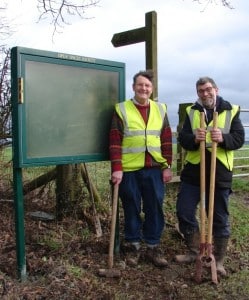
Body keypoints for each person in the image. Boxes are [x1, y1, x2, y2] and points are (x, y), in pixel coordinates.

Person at [175, 76, 245, 276]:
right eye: (200, 91)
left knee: (220, 217)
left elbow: (239, 138)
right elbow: (183, 139)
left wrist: (223, 138)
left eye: (207, 89)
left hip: (220, 171)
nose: (204, 94)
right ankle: (195, 251)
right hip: (194, 172)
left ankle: (219, 260)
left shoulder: (231, 110)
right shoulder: (191, 112)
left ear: (216, 89)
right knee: (185, 210)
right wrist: (193, 138)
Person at [109, 70, 173, 267]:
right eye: (140, 85)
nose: (143, 88)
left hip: (154, 168)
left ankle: (153, 246)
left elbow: (167, 140)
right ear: (133, 87)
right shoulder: (121, 109)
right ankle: (133, 246)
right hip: (128, 170)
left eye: (147, 86)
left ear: (151, 89)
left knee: (155, 206)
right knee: (131, 207)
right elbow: (114, 140)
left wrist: (167, 166)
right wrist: (117, 168)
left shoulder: (161, 109)